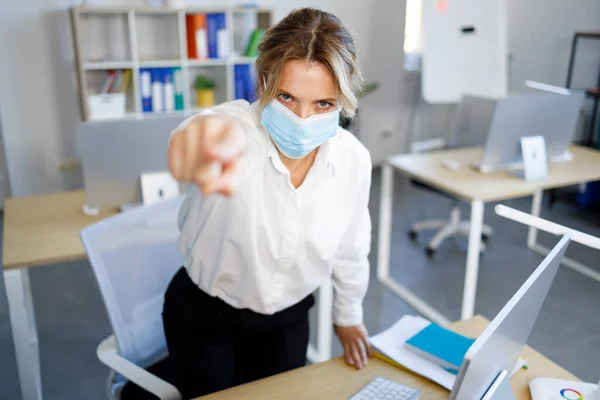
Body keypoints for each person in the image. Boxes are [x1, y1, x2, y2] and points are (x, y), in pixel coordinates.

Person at [163, 7, 372, 399]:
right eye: (287, 97)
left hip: (287, 316)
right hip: (207, 314)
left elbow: (351, 247)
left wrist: (347, 316)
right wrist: (195, 147)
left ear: (343, 99)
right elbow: (194, 137)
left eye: (323, 104)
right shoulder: (234, 133)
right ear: (263, 83)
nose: (303, 119)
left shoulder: (353, 161)